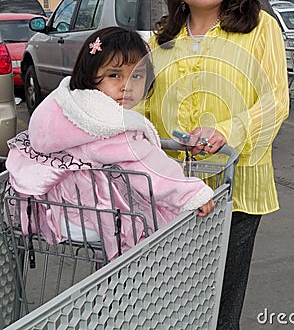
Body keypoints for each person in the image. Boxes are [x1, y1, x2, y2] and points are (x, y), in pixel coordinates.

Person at [145, 0, 289, 329]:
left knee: (219, 305)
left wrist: (228, 131)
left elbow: (276, 99)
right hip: (171, 190)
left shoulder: (259, 28)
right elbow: (140, 104)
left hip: (235, 187)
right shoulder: (162, 41)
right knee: (172, 298)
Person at [6, 27, 215, 261]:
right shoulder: (106, 125)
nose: (127, 85)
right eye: (114, 75)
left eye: (136, 75)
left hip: (56, 209)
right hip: (87, 216)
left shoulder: (68, 107)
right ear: (90, 74)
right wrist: (192, 193)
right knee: (152, 224)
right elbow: (150, 169)